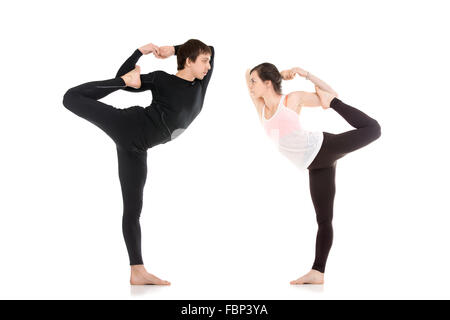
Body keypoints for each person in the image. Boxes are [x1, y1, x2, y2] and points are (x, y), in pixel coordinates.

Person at [63, 39, 214, 285]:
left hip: (137, 148)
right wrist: (137, 54)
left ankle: (137, 271)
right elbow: (128, 77)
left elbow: (213, 50)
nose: (208, 66)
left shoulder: (201, 84)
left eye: (208, 61)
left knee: (133, 210)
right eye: (204, 60)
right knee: (71, 98)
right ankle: (137, 270)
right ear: (189, 62)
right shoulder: (161, 80)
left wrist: (173, 49)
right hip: (128, 125)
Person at [245, 64, 381, 284]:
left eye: (255, 81)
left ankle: (335, 107)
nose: (250, 85)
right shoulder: (259, 106)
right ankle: (317, 272)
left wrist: (305, 75)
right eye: (251, 81)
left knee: (374, 129)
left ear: (267, 83)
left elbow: (330, 93)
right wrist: (275, 74)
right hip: (315, 165)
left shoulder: (291, 100)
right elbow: (245, 75)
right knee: (324, 219)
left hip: (322, 147)